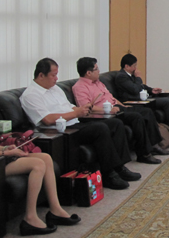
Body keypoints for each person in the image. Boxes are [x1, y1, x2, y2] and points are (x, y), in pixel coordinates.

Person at [0, 69, 80, 237]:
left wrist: (5, 149)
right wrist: (5, 154)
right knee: (37, 164)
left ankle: (55, 209)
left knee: (46, 158)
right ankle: (30, 218)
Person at [20, 58, 140, 191]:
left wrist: (81, 110)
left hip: (76, 122)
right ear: (41, 75)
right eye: (53, 75)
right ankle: (108, 175)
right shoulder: (31, 95)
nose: (56, 78)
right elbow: (47, 119)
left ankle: (120, 168)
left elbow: (69, 106)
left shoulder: (55, 89)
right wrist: (76, 113)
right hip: (62, 131)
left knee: (115, 123)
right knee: (100, 128)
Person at [72, 57, 169, 165]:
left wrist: (123, 105)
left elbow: (110, 97)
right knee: (136, 117)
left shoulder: (98, 82)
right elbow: (86, 108)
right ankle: (144, 154)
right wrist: (109, 110)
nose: (99, 71)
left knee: (146, 111)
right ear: (88, 73)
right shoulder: (79, 87)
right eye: (96, 69)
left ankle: (154, 145)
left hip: (117, 107)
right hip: (106, 113)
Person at [116, 54, 169, 143]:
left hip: (143, 98)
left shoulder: (130, 74)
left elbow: (141, 86)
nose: (136, 68)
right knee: (166, 101)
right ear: (126, 66)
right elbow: (135, 89)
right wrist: (138, 77)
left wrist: (151, 90)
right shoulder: (121, 76)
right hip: (135, 101)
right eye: (134, 66)